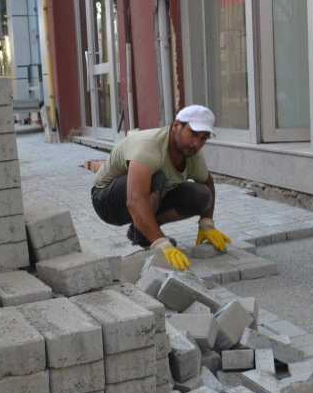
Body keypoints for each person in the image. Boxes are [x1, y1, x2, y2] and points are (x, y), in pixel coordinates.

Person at [90, 104, 231, 271]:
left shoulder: (190, 153)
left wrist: (207, 223)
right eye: (193, 134)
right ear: (177, 126)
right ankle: (147, 236)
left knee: (201, 195)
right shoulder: (149, 146)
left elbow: (207, 183)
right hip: (106, 200)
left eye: (203, 138)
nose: (196, 143)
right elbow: (135, 201)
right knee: (157, 176)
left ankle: (141, 230)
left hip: (144, 195)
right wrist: (161, 242)